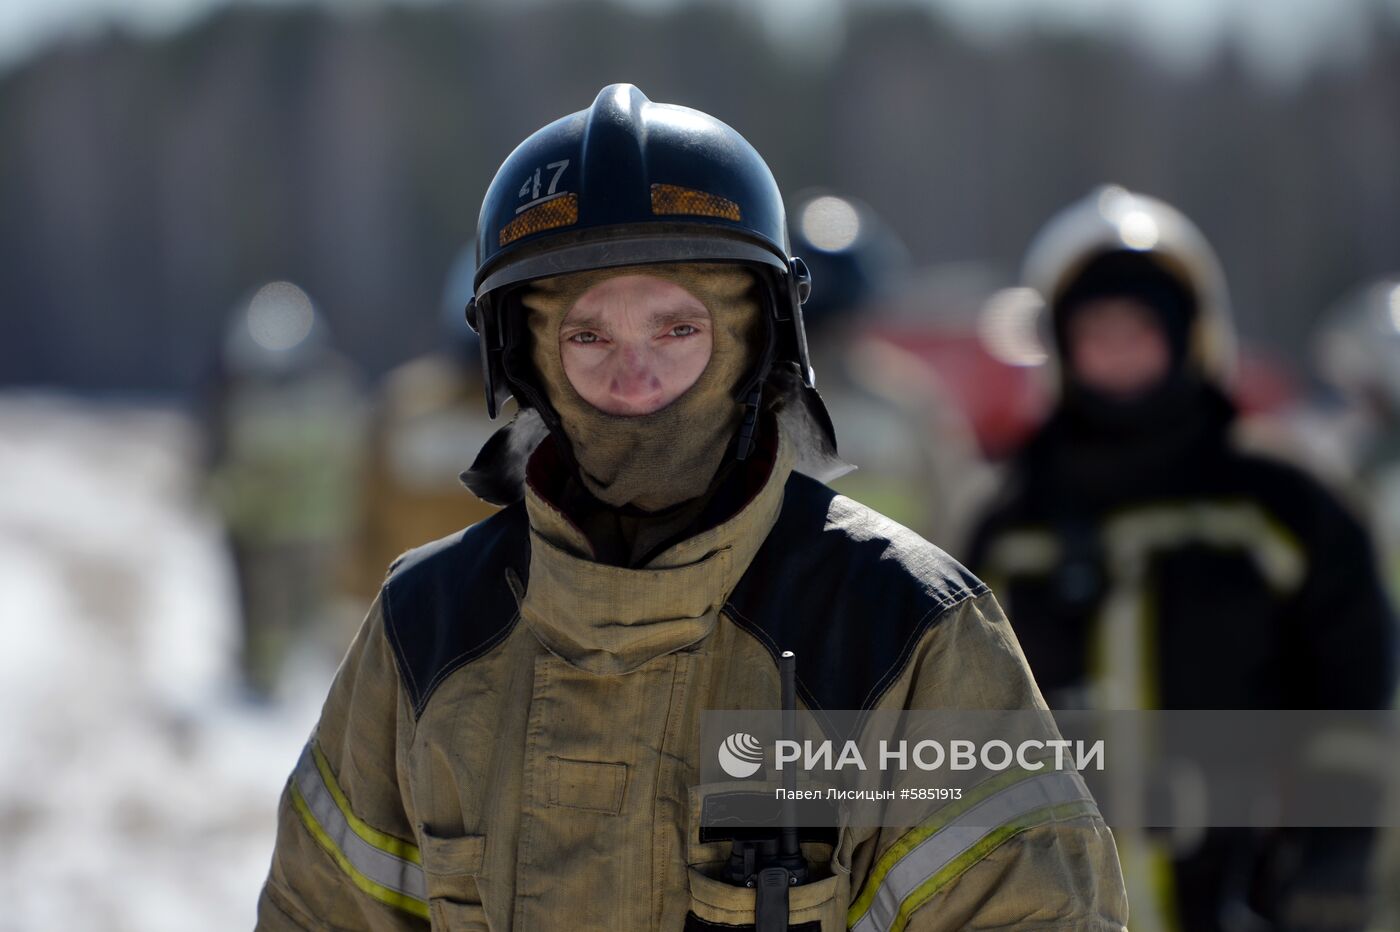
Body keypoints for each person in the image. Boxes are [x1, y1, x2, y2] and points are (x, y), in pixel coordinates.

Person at [256, 85, 1128, 931]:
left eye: (678, 330)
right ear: (525, 360)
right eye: (588, 335)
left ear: (758, 339)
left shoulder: (904, 627)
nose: (633, 381)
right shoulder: (429, 624)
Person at [966, 186, 1398, 932]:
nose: (1118, 353)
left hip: (1250, 897)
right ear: (1061, 346)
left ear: (1190, 336)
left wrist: (1335, 855)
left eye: (1140, 330)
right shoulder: (1008, 525)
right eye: (1095, 332)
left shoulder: (1284, 506)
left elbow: (1355, 689)